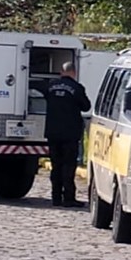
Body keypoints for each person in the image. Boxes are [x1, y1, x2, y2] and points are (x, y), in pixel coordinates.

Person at [44, 60, 91, 208]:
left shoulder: (50, 86)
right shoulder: (77, 88)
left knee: (55, 166)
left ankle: (56, 197)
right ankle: (68, 198)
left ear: (61, 72)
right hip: (70, 134)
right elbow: (86, 106)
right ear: (74, 73)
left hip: (53, 132)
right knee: (68, 167)